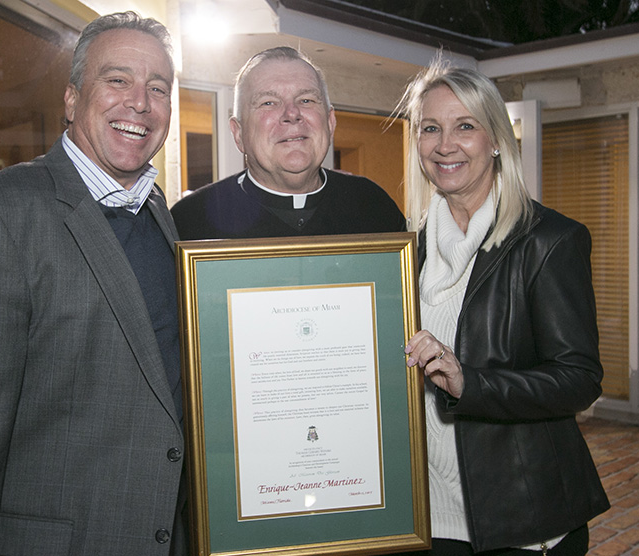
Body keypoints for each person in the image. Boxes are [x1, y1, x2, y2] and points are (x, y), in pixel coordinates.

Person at [0, 12, 186, 556]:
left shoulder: (162, 219)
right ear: (73, 100)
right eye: (117, 80)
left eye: (158, 88)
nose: (140, 103)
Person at [397, 58, 609, 555]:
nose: (445, 145)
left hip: (520, 520)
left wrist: (471, 383)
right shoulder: (404, 249)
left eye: (465, 126)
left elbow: (579, 378)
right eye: (431, 128)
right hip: (425, 517)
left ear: (495, 139)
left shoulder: (549, 241)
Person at [170, 46, 405, 239]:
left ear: (330, 122)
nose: (292, 114)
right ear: (238, 133)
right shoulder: (189, 222)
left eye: (306, 99)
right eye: (268, 103)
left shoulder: (373, 206)